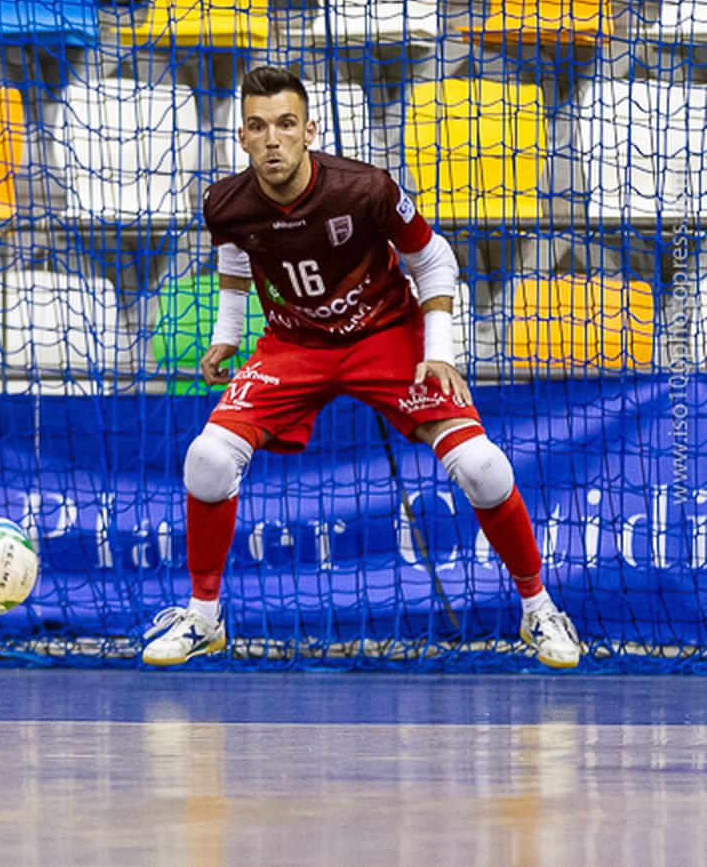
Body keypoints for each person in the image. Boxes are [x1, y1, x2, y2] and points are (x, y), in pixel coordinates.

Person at [140, 65, 582, 670]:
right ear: (241, 137)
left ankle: (538, 609)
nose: (272, 139)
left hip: (386, 336)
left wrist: (439, 349)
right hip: (294, 344)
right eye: (258, 127)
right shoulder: (225, 203)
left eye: (286, 124)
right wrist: (227, 335)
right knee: (208, 460)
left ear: (309, 130)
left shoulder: (365, 189)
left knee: (482, 467)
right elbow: (237, 255)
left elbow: (434, 258)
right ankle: (203, 616)